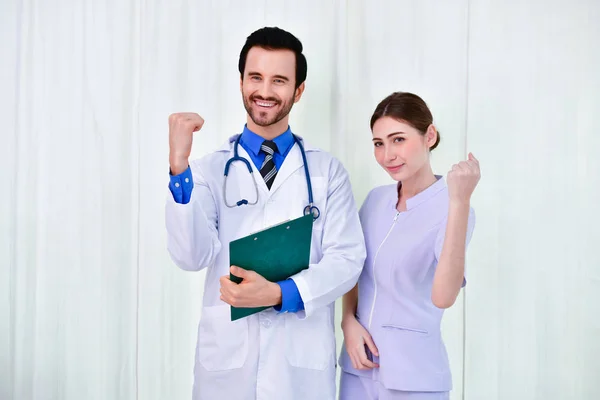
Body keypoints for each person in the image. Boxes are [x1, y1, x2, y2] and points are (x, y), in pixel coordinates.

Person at [165, 27, 366, 400]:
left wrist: (279, 293)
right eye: (255, 77)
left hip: (298, 369)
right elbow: (191, 257)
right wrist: (179, 168)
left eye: (279, 80)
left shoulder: (327, 173)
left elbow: (347, 260)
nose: (265, 91)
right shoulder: (208, 171)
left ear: (298, 90)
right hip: (228, 365)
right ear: (241, 81)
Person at [338, 92, 480, 400]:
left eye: (398, 139)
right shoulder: (376, 200)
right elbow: (352, 267)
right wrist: (348, 320)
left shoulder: (455, 209)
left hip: (415, 379)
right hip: (358, 369)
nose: (387, 154)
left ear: (429, 135)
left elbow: (443, 296)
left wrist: (460, 200)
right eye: (378, 143)